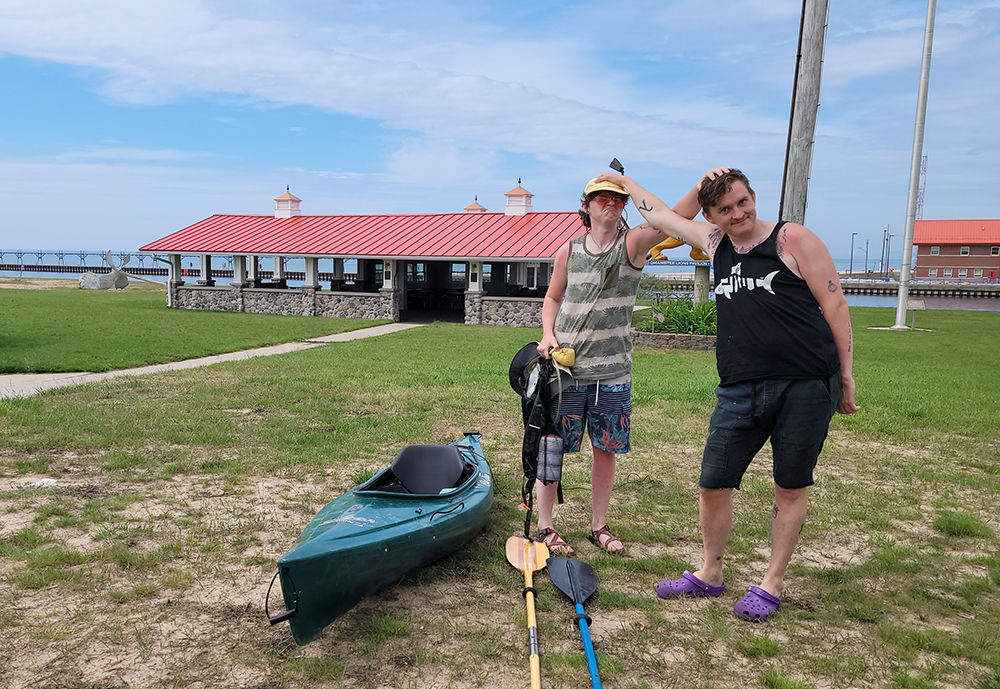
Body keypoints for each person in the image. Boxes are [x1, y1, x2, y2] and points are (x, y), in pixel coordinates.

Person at [596, 168, 859, 620]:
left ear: (753, 196)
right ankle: (710, 573)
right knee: (713, 482)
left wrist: (847, 377)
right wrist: (626, 183)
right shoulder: (714, 244)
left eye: (742, 202)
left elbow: (834, 304)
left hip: (807, 383)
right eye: (724, 209)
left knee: (789, 486)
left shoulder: (791, 239)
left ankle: (772, 581)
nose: (738, 213)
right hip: (738, 387)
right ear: (711, 216)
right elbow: (658, 213)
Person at [534, 176, 677, 555]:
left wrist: (699, 186)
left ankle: (598, 525)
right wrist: (548, 334)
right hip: (566, 374)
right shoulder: (568, 251)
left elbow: (670, 219)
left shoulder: (632, 244)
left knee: (606, 448)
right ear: (586, 206)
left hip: (613, 374)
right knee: (552, 445)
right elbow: (552, 297)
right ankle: (545, 526)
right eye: (600, 197)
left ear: (623, 206)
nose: (609, 202)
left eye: (616, 198)